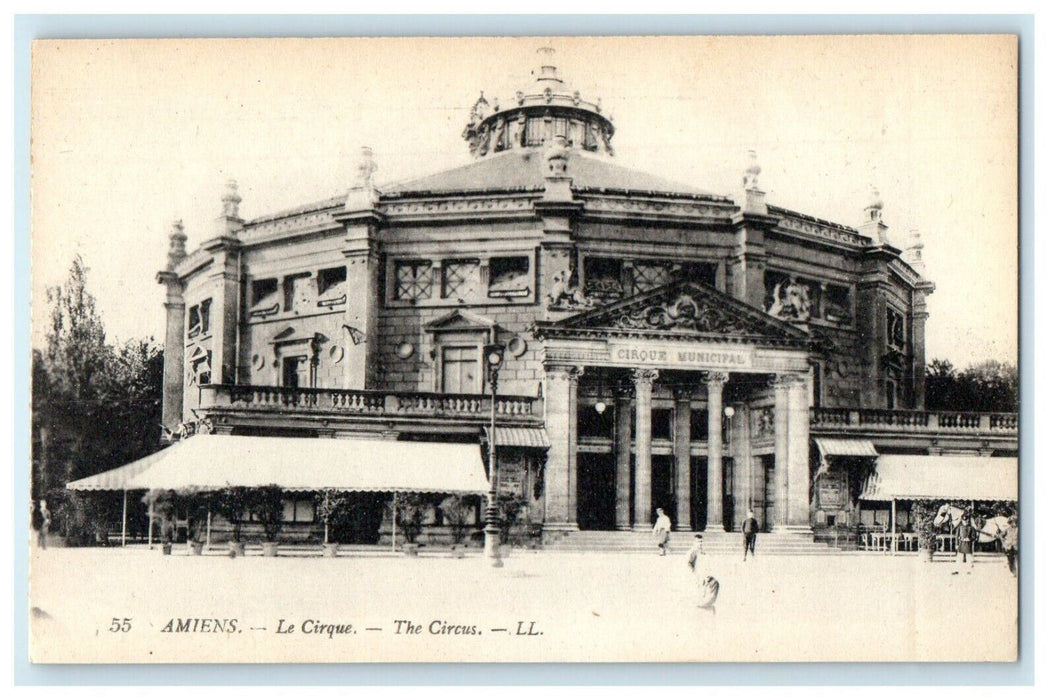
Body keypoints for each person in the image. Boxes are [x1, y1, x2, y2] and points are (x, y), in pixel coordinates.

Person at [686, 534, 720, 612]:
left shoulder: (702, 552)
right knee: (698, 590)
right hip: (697, 575)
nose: (700, 543)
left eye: (701, 542)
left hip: (703, 574)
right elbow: (689, 563)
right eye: (698, 542)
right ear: (694, 542)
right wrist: (693, 573)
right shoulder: (692, 552)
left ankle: (704, 604)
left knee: (705, 590)